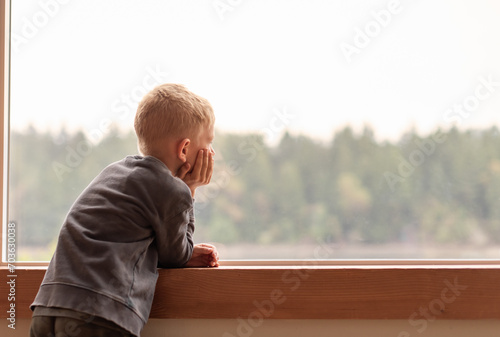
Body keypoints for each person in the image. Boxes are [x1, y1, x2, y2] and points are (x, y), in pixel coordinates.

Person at [29, 83, 220, 337]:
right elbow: (176, 255)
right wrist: (190, 189)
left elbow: (130, 243)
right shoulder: (172, 190)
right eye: (208, 142)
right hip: (100, 315)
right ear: (184, 149)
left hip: (49, 306)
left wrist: (185, 252)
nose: (212, 152)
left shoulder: (114, 172)